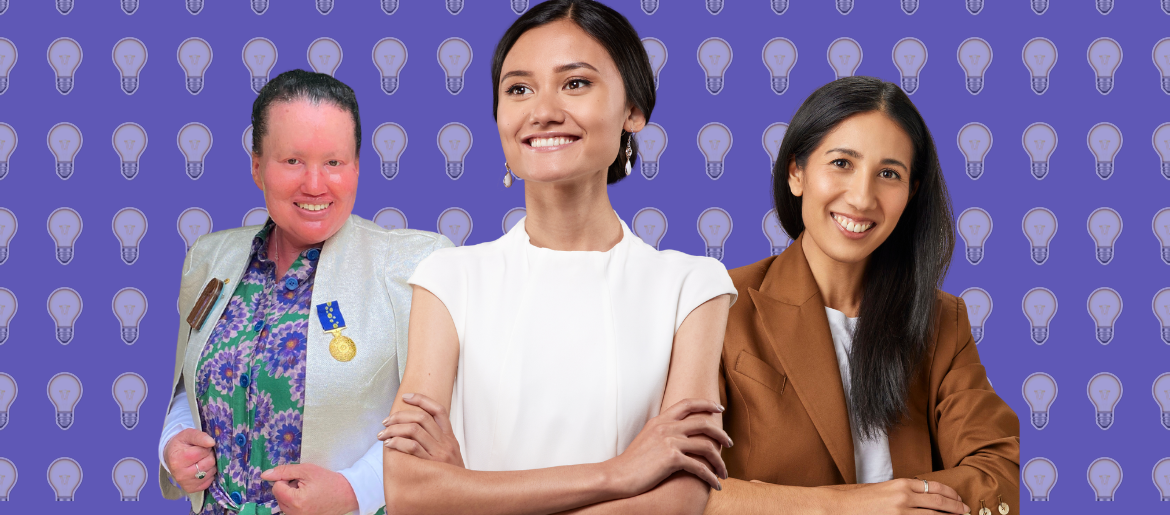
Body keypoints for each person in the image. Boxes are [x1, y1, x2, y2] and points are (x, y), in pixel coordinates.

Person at [375, 1, 737, 514]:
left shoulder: (693, 287)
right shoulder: (448, 279)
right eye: (518, 89)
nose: (542, 111)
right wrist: (620, 472)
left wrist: (468, 492)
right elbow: (408, 494)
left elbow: (677, 502)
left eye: (575, 83)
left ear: (634, 110)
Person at [703, 76, 1020, 515]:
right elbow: (683, 490)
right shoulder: (718, 303)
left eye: (889, 174)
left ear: (911, 192)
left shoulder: (941, 320)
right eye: (841, 163)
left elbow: (1001, 470)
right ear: (796, 172)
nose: (862, 197)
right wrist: (848, 507)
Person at [157, 69, 453, 515]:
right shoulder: (209, 258)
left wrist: (355, 490)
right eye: (293, 160)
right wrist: (173, 442)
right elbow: (189, 383)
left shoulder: (417, 264)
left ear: (357, 166)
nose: (315, 185)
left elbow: (437, 416)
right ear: (257, 167)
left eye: (334, 162)